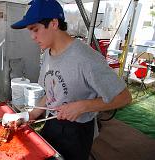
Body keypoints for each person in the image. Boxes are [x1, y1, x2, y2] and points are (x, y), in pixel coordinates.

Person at [11, 0, 132, 160]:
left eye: (35, 29)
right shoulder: (48, 53)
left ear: (54, 23)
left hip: (77, 132)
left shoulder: (86, 58)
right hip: (52, 124)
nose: (32, 37)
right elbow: (52, 94)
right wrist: (32, 114)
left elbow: (124, 97)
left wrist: (83, 106)